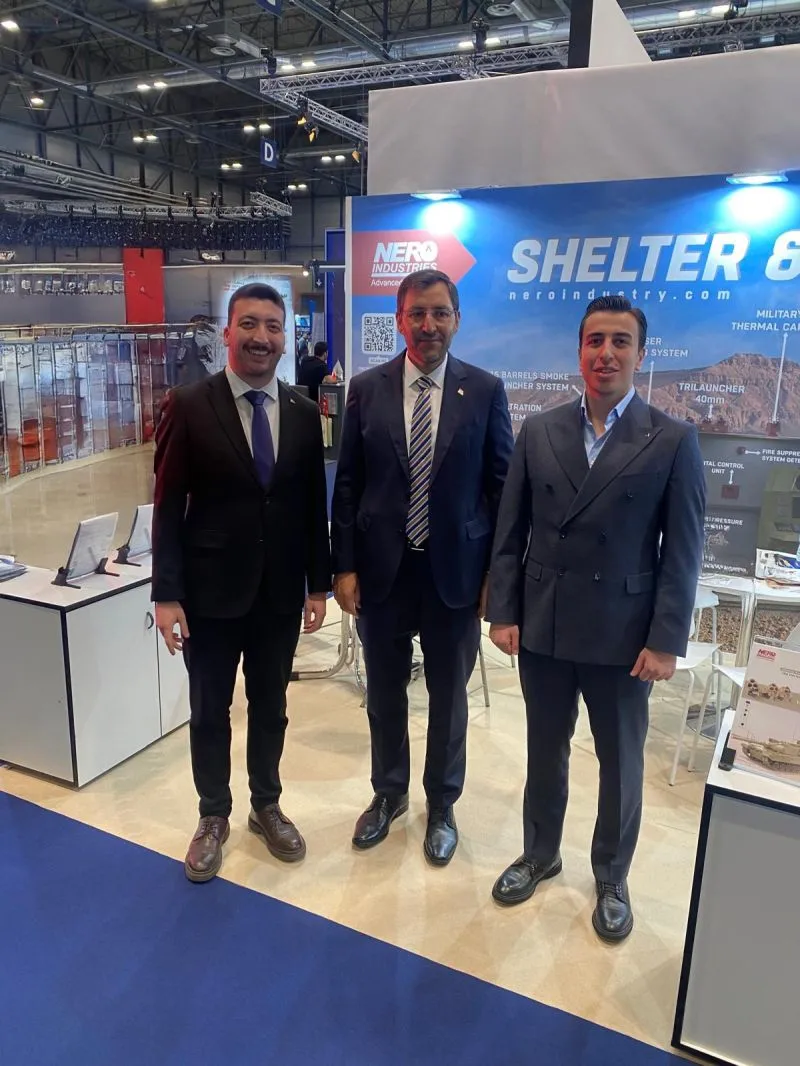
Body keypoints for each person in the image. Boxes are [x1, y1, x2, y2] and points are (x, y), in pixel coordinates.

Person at [486, 295, 705, 941]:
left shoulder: (672, 439)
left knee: (621, 762)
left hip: (624, 634)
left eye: (620, 341)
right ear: (579, 350)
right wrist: (503, 611)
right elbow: (510, 533)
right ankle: (539, 853)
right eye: (594, 341)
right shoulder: (539, 430)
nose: (605, 353)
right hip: (545, 625)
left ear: (640, 353)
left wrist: (665, 641)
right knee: (544, 751)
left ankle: (611, 874)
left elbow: (682, 552)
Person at [331, 268, 514, 866]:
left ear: (457, 320)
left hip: (455, 576)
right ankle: (388, 794)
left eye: (439, 313)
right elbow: (348, 484)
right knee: (384, 694)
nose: (428, 325)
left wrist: (494, 576)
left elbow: (501, 490)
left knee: (448, 699)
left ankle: (441, 804)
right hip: (382, 573)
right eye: (417, 313)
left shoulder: (484, 390)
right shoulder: (367, 388)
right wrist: (344, 566)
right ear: (399, 320)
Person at [152, 282, 331, 883]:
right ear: (227, 333)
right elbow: (167, 505)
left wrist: (317, 585)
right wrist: (166, 593)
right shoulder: (188, 404)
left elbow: (311, 506)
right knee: (210, 710)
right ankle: (212, 815)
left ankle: (266, 805)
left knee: (272, 706)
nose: (261, 337)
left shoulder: (302, 411)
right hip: (208, 594)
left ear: (285, 337)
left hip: (278, 594)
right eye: (249, 324)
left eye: (273, 326)